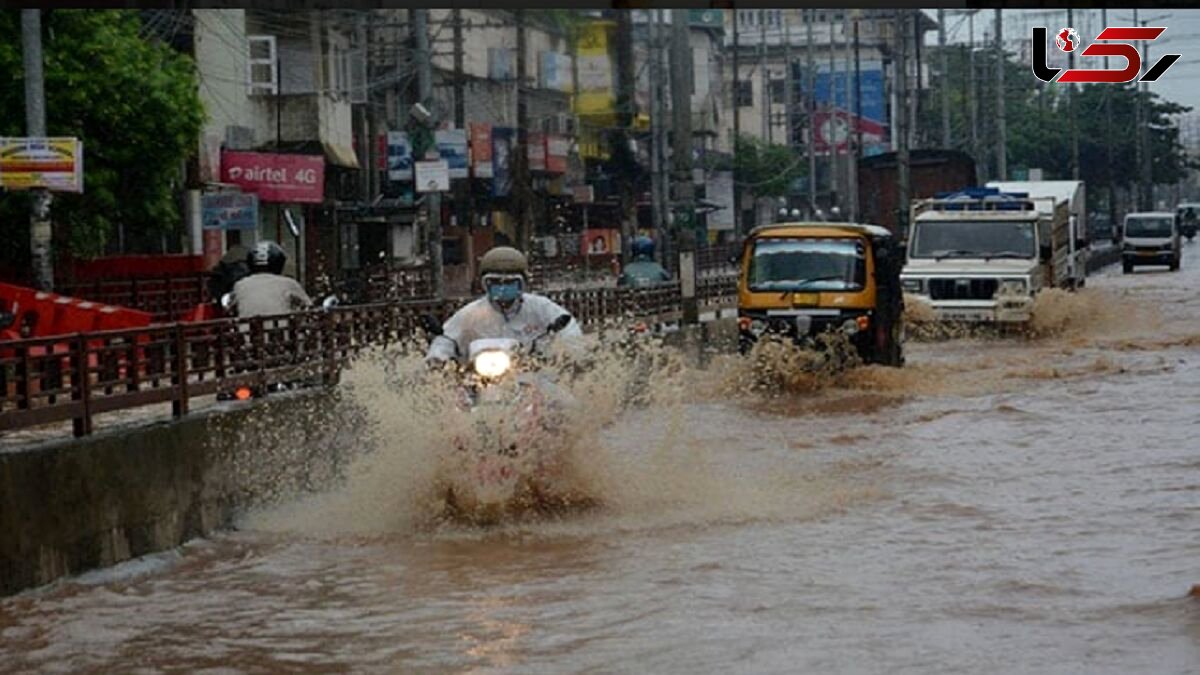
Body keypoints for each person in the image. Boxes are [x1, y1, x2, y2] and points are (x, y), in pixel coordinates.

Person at [427, 246, 583, 365]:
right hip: (479, 379)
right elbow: (448, 338)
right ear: (485, 285)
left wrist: (567, 352)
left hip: (533, 374)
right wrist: (438, 357)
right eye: (495, 282)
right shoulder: (470, 314)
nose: (502, 287)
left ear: (522, 283)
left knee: (565, 402)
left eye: (509, 282)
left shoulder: (540, 307)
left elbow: (568, 327)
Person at [228, 241, 312, 317]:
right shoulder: (289, 283)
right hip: (279, 332)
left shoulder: (240, 285)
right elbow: (308, 306)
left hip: (248, 333)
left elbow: (230, 307)